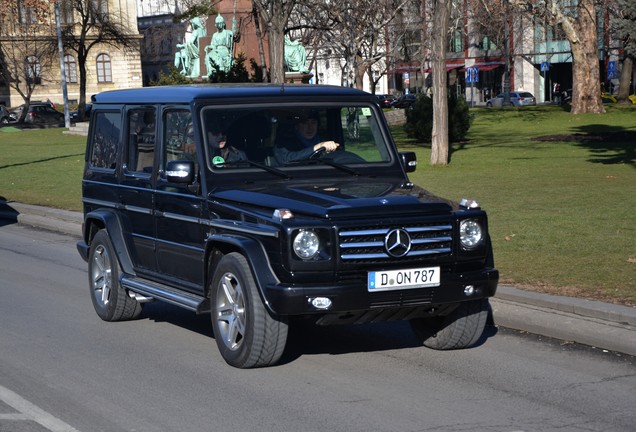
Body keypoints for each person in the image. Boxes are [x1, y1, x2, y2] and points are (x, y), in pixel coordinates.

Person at [274, 112, 340, 164]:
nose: (310, 127)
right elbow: (285, 160)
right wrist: (317, 147)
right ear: (296, 126)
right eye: (304, 123)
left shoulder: (325, 141)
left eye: (313, 123)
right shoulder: (283, 144)